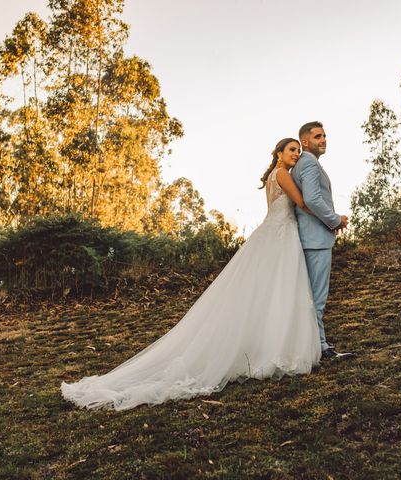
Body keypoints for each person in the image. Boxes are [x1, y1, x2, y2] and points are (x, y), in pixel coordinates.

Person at [61, 138, 321, 411]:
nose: (296, 154)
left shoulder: (271, 176)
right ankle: (275, 350)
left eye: (298, 151)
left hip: (272, 233)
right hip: (281, 236)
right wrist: (332, 218)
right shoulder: (282, 174)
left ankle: (268, 347)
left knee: (267, 291)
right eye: (292, 150)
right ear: (279, 153)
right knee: (279, 289)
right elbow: (303, 203)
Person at [290, 121, 354, 359]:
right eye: (318, 136)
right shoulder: (308, 163)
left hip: (308, 238)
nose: (324, 139)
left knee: (309, 296)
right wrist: (335, 220)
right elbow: (313, 199)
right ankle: (321, 348)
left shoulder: (302, 165)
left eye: (325, 135)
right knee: (317, 297)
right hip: (315, 240)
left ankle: (313, 345)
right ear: (305, 142)